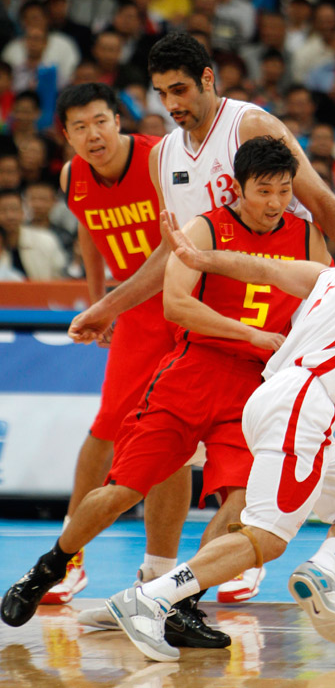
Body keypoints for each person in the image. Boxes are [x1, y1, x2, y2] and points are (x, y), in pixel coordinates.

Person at [64, 32, 335, 612]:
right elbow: (174, 253)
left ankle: (236, 572)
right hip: (208, 316)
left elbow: (320, 202)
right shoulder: (166, 153)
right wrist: (107, 305)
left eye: (181, 89)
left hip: (285, 308)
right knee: (157, 443)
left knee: (285, 450)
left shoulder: (249, 126)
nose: (173, 103)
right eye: (162, 93)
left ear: (209, 79)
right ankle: (163, 580)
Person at [99, 208, 335, 660]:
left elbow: (262, 269)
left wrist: (202, 258)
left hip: (272, 399)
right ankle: (151, 598)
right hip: (303, 403)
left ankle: (322, 571)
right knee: (266, 538)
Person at [0, 135, 331, 646]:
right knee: (122, 490)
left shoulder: (307, 238)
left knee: (243, 503)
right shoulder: (205, 228)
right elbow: (176, 304)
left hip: (256, 386)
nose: (274, 203)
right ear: (237, 187)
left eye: (284, 191)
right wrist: (250, 334)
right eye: (264, 191)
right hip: (193, 370)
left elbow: (325, 304)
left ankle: (178, 601)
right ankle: (51, 565)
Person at [35, 83, 206, 648]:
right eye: (80, 126)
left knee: (186, 434)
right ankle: (71, 554)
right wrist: (97, 298)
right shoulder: (73, 178)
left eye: (101, 121)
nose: (93, 134)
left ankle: (165, 571)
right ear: (67, 136)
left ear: (119, 121)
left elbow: (178, 244)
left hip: (187, 300)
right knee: (107, 428)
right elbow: (90, 231)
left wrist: (109, 303)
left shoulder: (160, 160)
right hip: (133, 311)